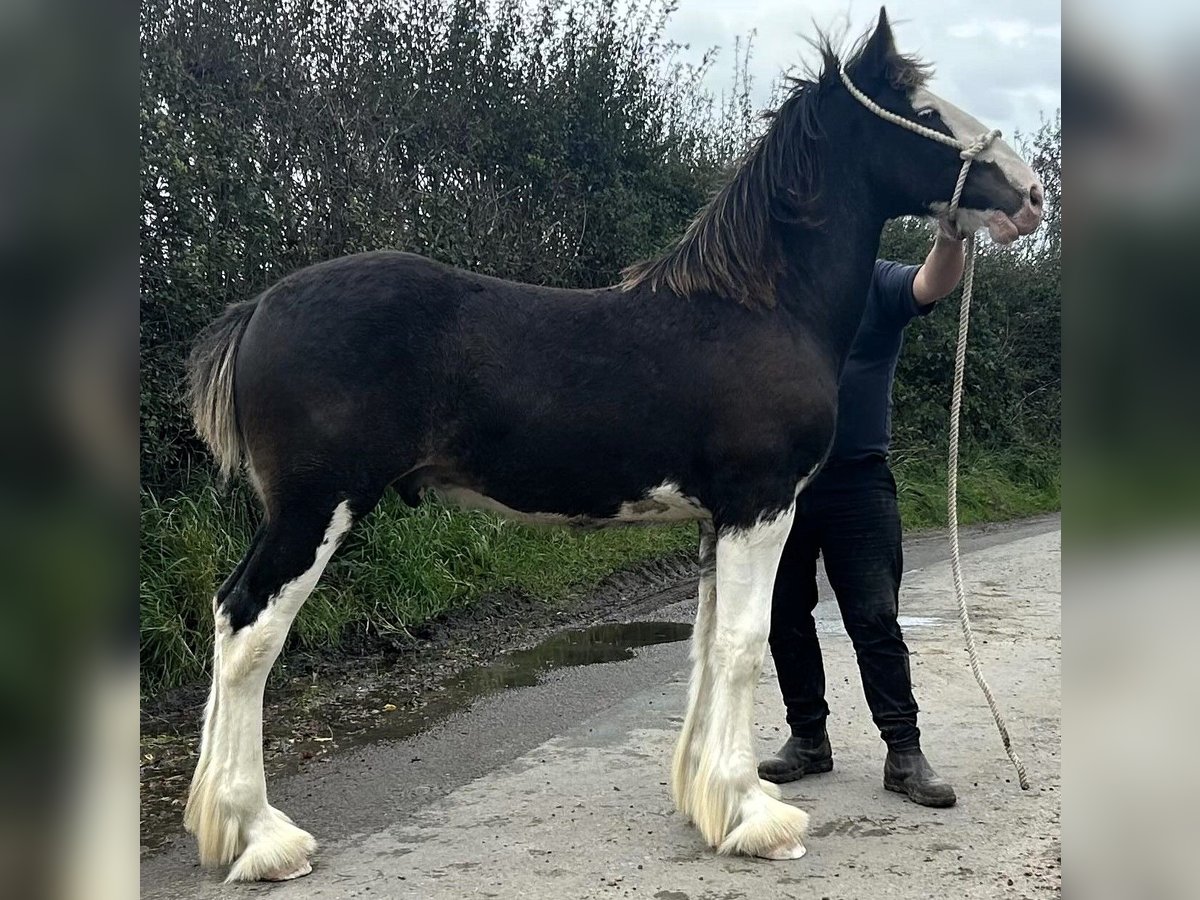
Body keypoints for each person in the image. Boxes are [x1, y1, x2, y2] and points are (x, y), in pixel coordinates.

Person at [757, 226, 966, 807]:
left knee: (875, 619)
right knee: (784, 616)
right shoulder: (780, 291)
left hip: (859, 483)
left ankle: (904, 753)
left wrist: (952, 238)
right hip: (785, 485)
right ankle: (808, 740)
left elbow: (930, 284)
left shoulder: (877, 281)